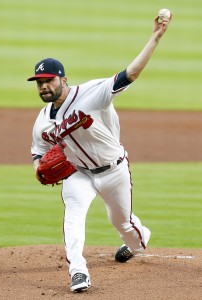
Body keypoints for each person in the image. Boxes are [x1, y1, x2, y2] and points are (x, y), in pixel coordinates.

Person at [28, 14, 172, 292]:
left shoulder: (92, 94)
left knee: (123, 223)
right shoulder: (43, 118)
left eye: (48, 80)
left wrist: (155, 38)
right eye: (39, 82)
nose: (44, 86)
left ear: (63, 79)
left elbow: (129, 74)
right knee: (73, 218)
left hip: (113, 170)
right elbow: (39, 149)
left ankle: (138, 240)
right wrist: (38, 167)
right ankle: (78, 272)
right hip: (78, 175)